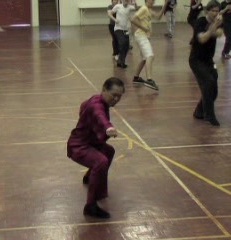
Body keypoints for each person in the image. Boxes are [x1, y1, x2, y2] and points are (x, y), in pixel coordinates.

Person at [67, 77, 125, 219]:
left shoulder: (96, 99)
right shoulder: (97, 105)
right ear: (104, 89)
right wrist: (108, 127)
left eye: (119, 96)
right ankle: (90, 206)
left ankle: (89, 177)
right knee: (101, 161)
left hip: (91, 143)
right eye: (114, 95)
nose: (116, 99)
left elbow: (83, 105)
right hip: (79, 146)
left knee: (109, 151)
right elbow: (100, 117)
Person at [189, 0, 222, 126]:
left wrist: (214, 29)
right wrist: (213, 28)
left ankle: (199, 111)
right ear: (207, 11)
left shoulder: (218, 23)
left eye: (217, 11)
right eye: (213, 10)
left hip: (209, 61)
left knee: (213, 89)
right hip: (196, 60)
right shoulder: (200, 22)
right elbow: (202, 39)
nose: (215, 13)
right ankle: (209, 115)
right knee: (208, 82)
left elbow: (219, 33)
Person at [130, 0, 164, 90]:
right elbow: (133, 19)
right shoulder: (144, 8)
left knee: (144, 58)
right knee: (150, 56)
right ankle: (149, 79)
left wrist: (165, 4)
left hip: (143, 36)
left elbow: (158, 17)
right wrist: (143, 28)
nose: (153, 2)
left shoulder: (148, 10)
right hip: (141, 35)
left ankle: (136, 78)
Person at [108, 0, 136, 68]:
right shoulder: (118, 6)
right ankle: (121, 61)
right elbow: (110, 13)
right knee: (122, 42)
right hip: (118, 29)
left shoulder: (130, 7)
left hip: (126, 29)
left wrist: (134, 3)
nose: (126, 1)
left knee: (126, 46)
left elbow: (135, 8)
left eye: (127, 0)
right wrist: (115, 20)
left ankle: (121, 61)